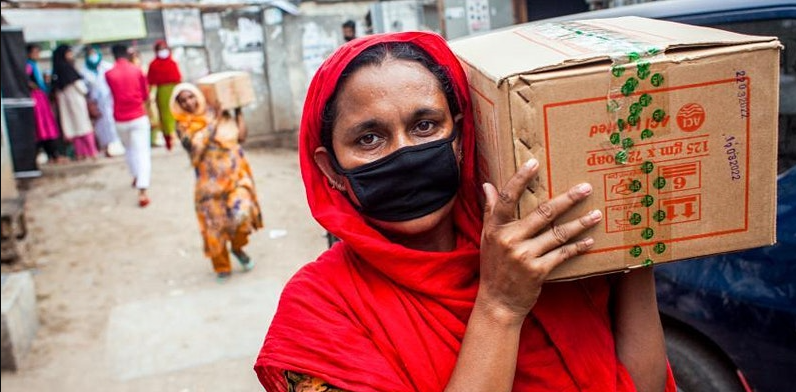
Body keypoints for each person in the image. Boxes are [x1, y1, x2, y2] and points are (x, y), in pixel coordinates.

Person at [254, 32, 677, 392]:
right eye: (369, 138)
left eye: (425, 126)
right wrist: (500, 305)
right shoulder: (316, 310)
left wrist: (634, 248)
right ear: (330, 168)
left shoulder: (537, 244)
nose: (405, 152)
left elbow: (640, 384)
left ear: (459, 135)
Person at [169, 83, 263, 282]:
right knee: (214, 227)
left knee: (242, 215)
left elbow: (241, 137)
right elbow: (196, 146)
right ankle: (222, 265)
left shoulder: (220, 114)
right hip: (208, 187)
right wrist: (214, 119)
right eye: (183, 100)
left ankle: (237, 248)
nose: (188, 103)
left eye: (190, 97)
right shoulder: (184, 126)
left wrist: (238, 112)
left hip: (236, 177)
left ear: (198, 97)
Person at [105, 44, 152, 208]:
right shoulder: (137, 70)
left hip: (120, 119)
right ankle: (143, 190)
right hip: (138, 116)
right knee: (142, 152)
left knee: (130, 149)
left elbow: (112, 94)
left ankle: (135, 176)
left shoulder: (109, 74)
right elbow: (145, 94)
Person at [51, 44, 98, 160]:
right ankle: (91, 152)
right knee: (84, 126)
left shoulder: (57, 70)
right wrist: (87, 92)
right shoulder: (68, 68)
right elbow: (79, 85)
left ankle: (80, 153)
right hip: (76, 99)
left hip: (64, 103)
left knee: (73, 127)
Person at [82, 45, 125, 158]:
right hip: (96, 103)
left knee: (113, 122)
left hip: (109, 99)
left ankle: (116, 145)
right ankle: (106, 147)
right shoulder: (84, 71)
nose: (93, 57)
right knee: (100, 126)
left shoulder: (107, 67)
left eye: (94, 53)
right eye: (90, 54)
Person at [25, 44, 66, 164]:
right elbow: (26, 79)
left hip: (41, 97)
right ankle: (52, 155)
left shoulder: (33, 66)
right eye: (35, 52)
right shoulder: (28, 66)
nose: (37, 55)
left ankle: (53, 155)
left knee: (46, 126)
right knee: (42, 125)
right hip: (37, 99)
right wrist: (34, 86)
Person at [147, 40, 182, 151]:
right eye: (160, 49)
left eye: (164, 48)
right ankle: (169, 138)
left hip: (175, 91)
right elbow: (150, 81)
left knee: (178, 113)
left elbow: (179, 78)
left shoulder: (173, 63)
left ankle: (180, 135)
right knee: (166, 116)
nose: (163, 51)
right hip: (162, 93)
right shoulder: (153, 65)